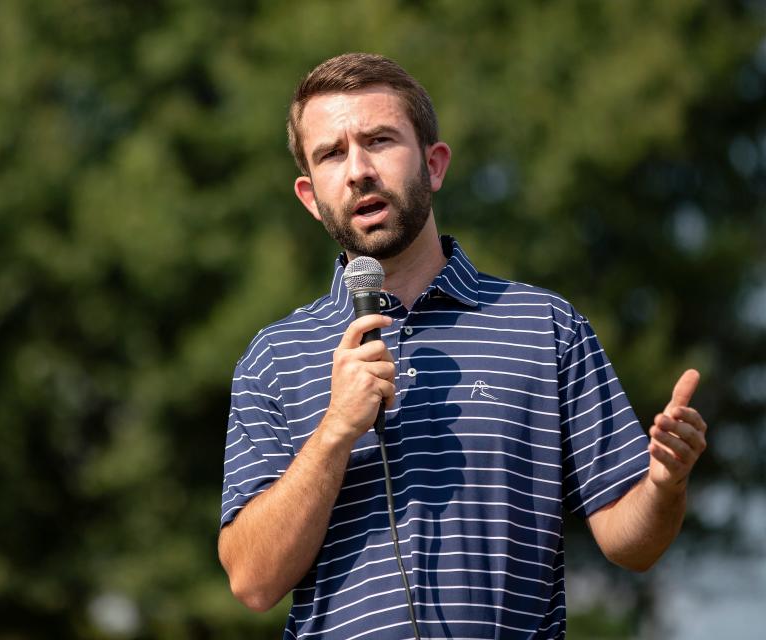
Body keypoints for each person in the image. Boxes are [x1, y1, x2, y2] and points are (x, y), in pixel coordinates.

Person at [218, 53, 708, 639]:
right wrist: (334, 431)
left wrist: (665, 483)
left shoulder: (545, 327)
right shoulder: (275, 356)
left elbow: (632, 544)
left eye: (379, 140)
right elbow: (253, 581)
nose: (358, 171)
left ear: (434, 164)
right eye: (332, 154)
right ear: (309, 195)